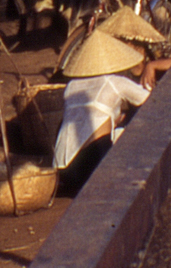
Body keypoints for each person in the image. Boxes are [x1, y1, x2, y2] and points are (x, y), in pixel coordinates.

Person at [53, 30, 164, 181]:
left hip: (61, 172)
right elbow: (154, 103)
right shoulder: (115, 82)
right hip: (90, 166)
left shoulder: (71, 86)